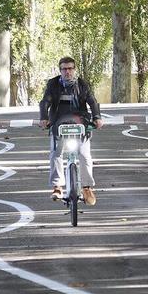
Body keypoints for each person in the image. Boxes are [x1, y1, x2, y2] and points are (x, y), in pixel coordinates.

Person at [38, 56, 101, 204]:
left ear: (74, 69)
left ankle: (87, 188)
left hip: (80, 121)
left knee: (85, 154)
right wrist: (44, 118)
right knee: (55, 153)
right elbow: (45, 102)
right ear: (60, 70)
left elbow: (92, 101)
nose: (67, 72)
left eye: (70, 68)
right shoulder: (53, 84)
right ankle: (57, 187)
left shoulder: (82, 84)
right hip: (58, 121)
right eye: (64, 69)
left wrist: (97, 117)